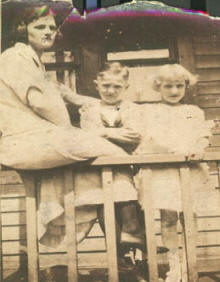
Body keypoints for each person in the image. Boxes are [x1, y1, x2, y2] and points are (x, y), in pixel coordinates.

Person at [0, 4, 134, 257]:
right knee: (118, 153)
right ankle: (131, 228)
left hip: (42, 140)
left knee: (103, 176)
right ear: (22, 30)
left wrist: (110, 105)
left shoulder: (35, 62)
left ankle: (124, 250)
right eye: (40, 26)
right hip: (26, 141)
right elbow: (39, 101)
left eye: (52, 27)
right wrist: (89, 133)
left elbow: (67, 95)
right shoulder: (14, 58)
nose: (49, 31)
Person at [136, 64, 213, 282]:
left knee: (190, 216)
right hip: (164, 172)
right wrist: (171, 151)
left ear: (186, 87)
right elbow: (148, 139)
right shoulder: (151, 111)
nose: (173, 91)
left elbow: (203, 135)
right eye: (168, 86)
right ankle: (174, 264)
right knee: (168, 218)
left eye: (179, 86)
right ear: (158, 87)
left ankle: (189, 262)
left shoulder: (193, 112)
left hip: (189, 171)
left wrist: (198, 147)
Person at [79, 62, 145, 273]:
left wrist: (105, 133)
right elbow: (88, 136)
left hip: (126, 168)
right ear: (96, 84)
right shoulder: (90, 110)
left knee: (126, 192)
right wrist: (116, 135)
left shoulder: (131, 109)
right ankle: (119, 254)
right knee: (104, 205)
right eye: (106, 85)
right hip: (97, 169)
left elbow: (134, 135)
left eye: (117, 86)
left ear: (126, 87)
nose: (111, 91)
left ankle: (133, 242)